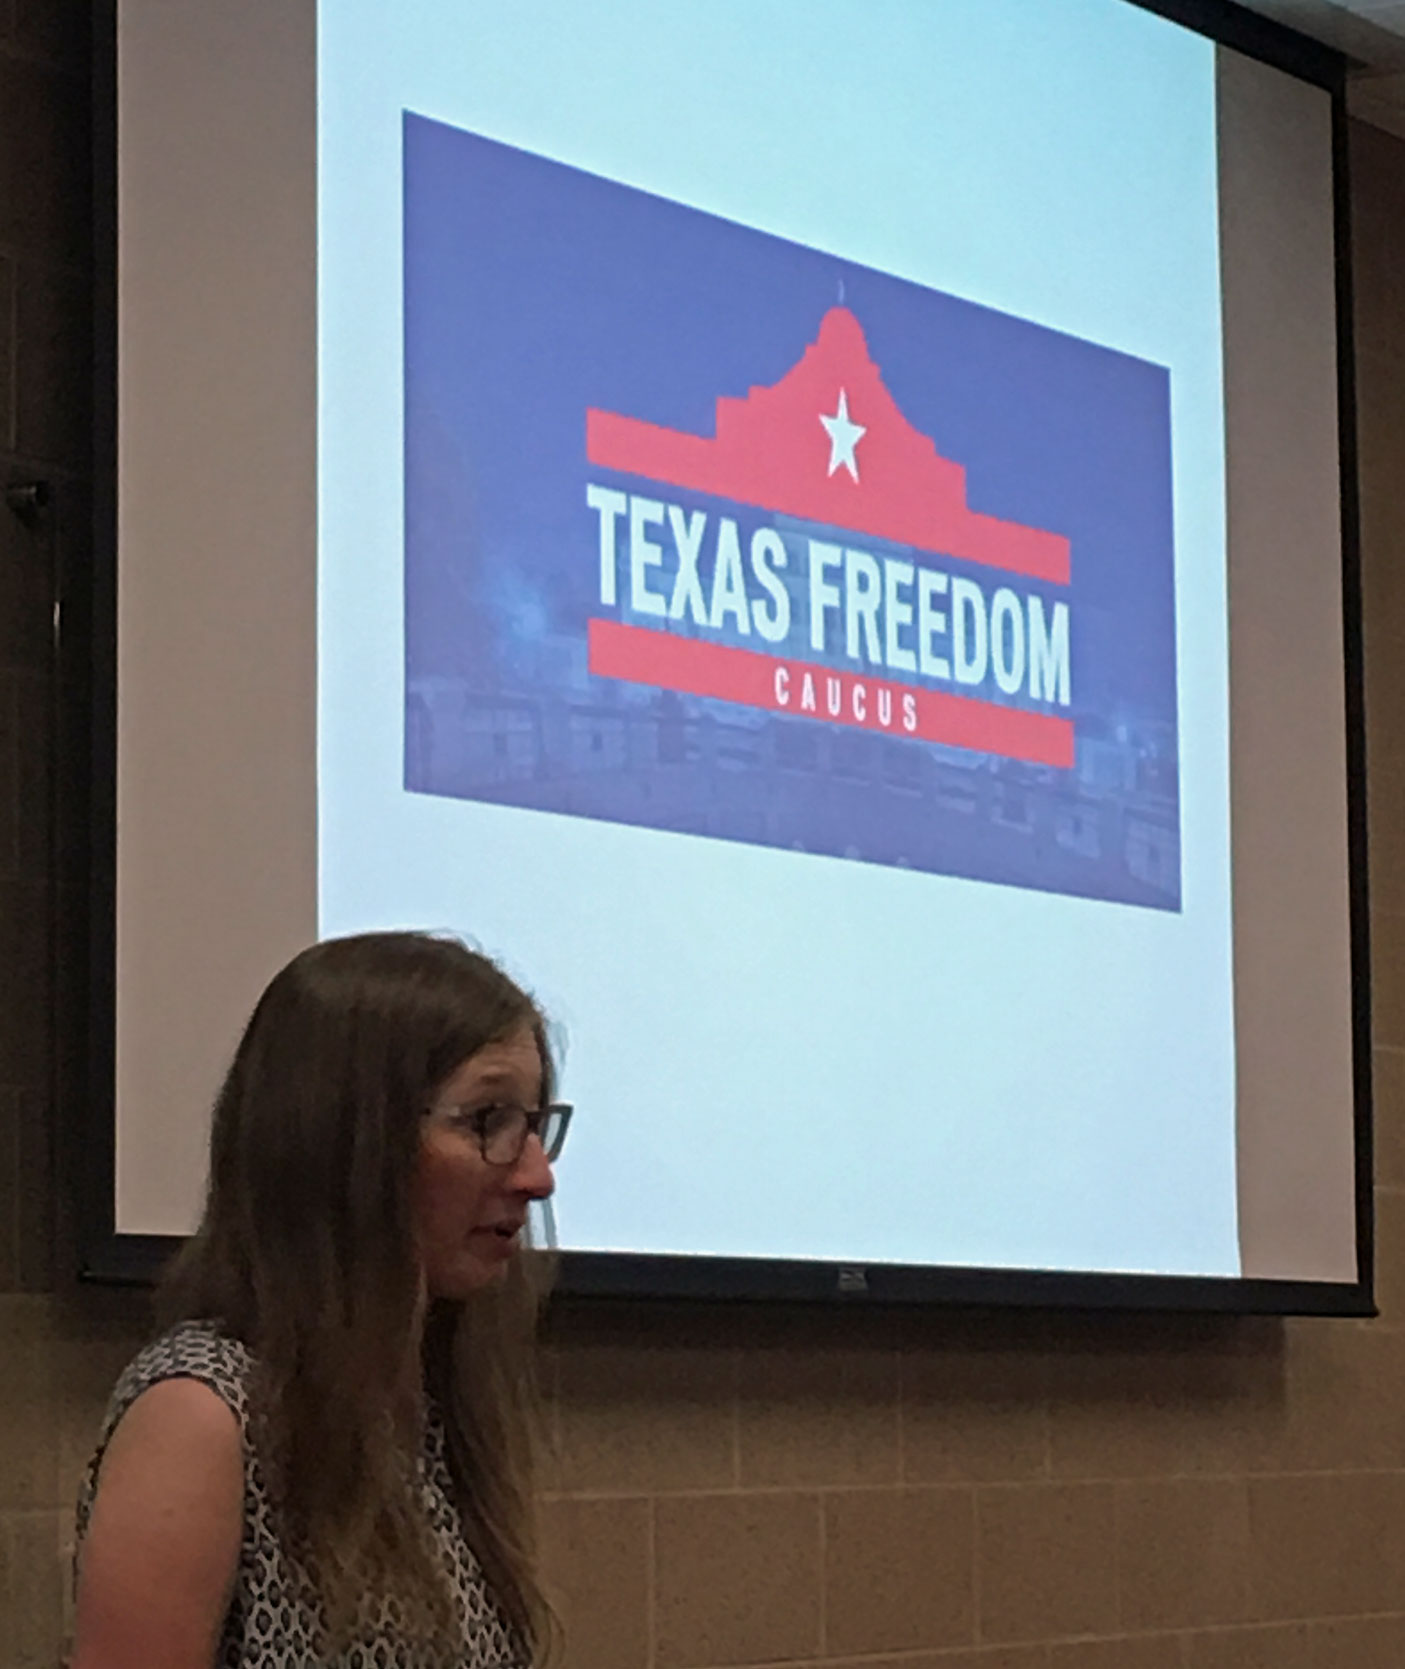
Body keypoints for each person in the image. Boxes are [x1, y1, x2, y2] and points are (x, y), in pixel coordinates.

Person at [70, 930, 571, 1669]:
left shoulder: (414, 1409)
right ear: (348, 1140)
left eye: (533, 1126)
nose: (536, 1176)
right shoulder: (203, 1416)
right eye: (486, 1122)